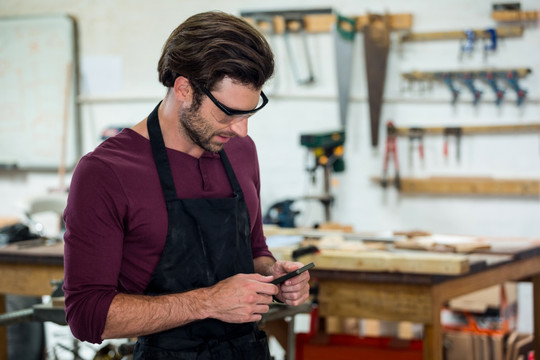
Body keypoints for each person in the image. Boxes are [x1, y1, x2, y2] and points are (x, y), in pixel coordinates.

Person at [62, 11, 311, 360]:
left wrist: (273, 274)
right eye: (227, 114)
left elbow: (255, 249)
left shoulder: (240, 151)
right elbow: (87, 316)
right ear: (183, 89)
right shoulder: (105, 172)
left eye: (248, 114)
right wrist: (208, 302)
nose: (241, 131)